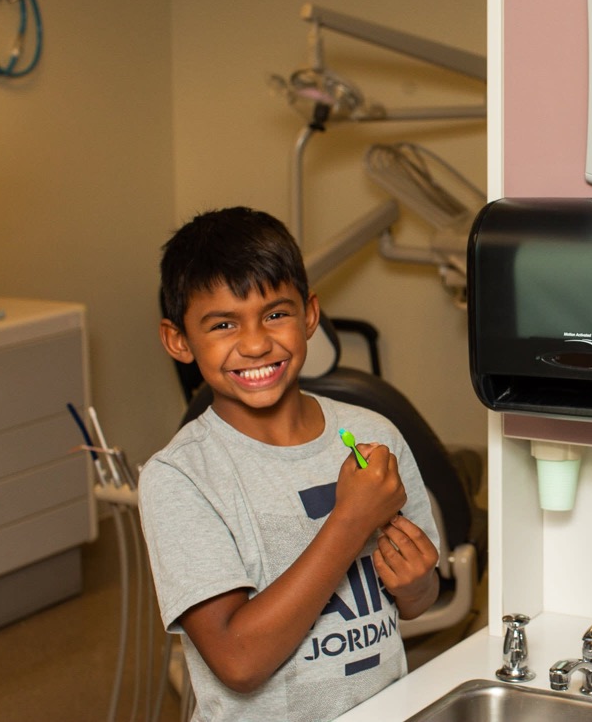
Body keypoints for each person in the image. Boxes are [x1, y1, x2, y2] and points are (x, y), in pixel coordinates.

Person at [140, 206, 441, 722]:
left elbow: (419, 600)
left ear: (309, 316)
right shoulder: (180, 478)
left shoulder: (375, 435)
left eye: (276, 314)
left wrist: (416, 582)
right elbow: (238, 661)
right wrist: (351, 519)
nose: (256, 343)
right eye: (223, 324)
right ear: (178, 341)